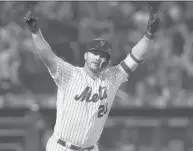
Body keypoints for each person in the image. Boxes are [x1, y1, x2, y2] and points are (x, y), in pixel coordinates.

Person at [24, 4, 160, 151]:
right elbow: (47, 56)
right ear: (85, 55)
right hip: (62, 147)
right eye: (95, 53)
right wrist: (35, 32)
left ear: (107, 61)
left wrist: (149, 35)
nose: (98, 57)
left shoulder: (111, 78)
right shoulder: (70, 73)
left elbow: (134, 58)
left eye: (103, 56)